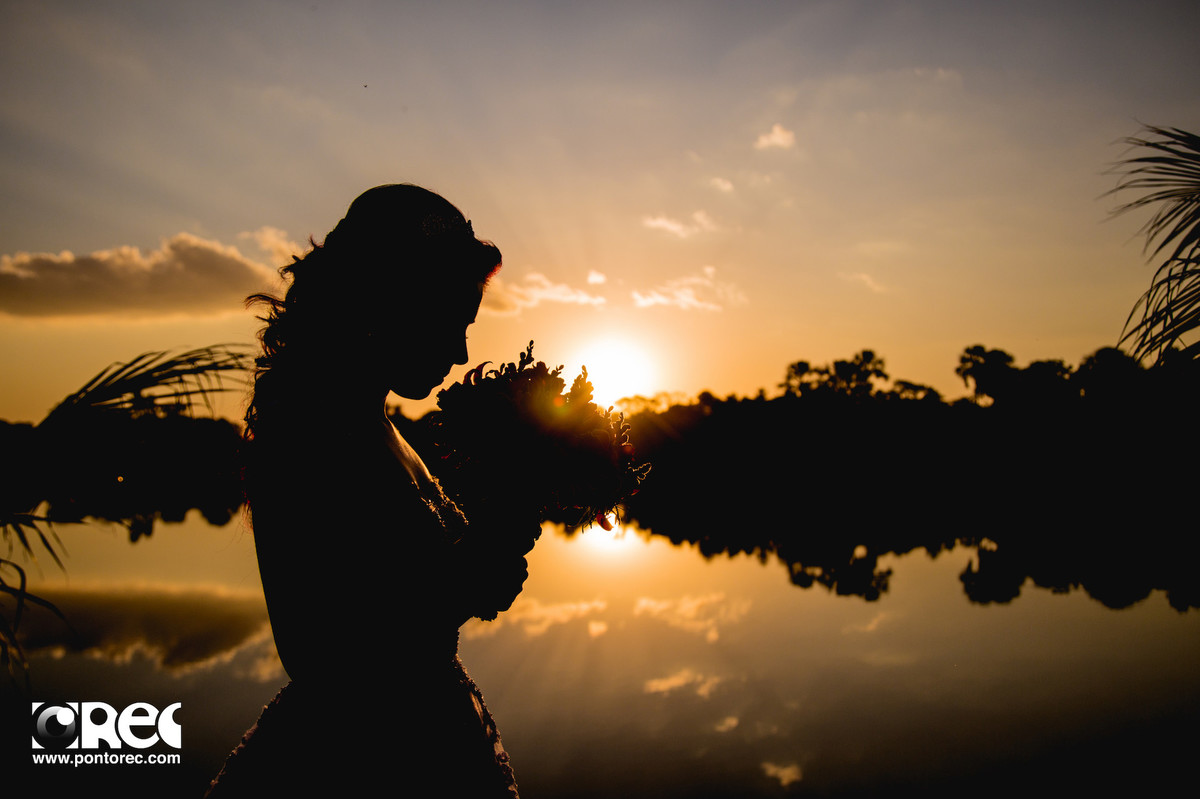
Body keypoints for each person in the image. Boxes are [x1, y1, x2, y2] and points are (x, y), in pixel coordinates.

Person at [207, 185, 533, 797]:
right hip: (360, 761)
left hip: (427, 736)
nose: (463, 352)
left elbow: (412, 580)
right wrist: (469, 582)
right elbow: (319, 651)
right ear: (392, 301)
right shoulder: (306, 426)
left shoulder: (373, 423)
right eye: (452, 322)